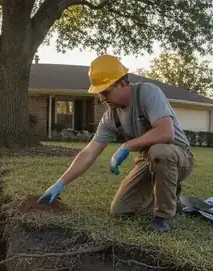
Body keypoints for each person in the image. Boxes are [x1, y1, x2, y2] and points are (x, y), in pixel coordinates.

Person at [39, 55, 194, 232]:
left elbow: (166, 132)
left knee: (159, 152)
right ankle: (172, 197)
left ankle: (163, 217)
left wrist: (127, 146)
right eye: (99, 93)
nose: (102, 98)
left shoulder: (148, 93)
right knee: (120, 210)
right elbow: (89, 152)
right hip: (148, 160)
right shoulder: (110, 117)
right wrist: (61, 183)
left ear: (122, 83)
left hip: (178, 156)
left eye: (105, 91)